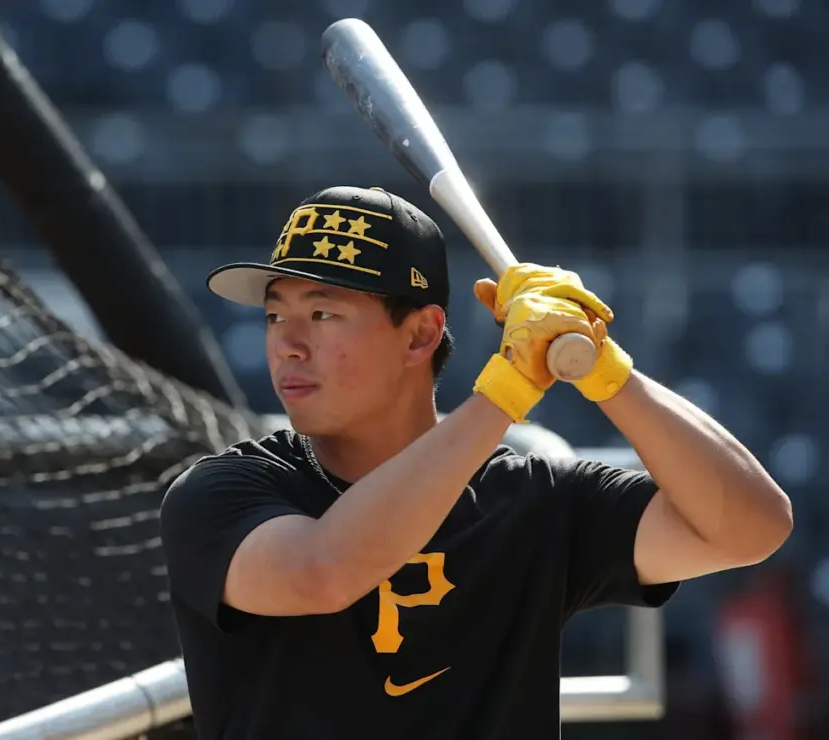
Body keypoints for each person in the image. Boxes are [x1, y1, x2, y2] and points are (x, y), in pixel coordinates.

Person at [159, 185, 792, 739]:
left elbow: (753, 526)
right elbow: (324, 572)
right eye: (276, 315)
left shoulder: (532, 497)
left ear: (420, 334)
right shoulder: (220, 493)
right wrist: (508, 390)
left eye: (322, 313)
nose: (287, 345)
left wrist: (606, 369)